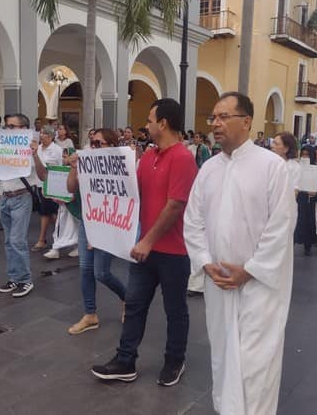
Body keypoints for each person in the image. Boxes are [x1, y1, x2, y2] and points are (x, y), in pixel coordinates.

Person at [183, 92, 296, 415]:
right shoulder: (208, 169)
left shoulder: (272, 167)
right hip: (219, 282)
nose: (215, 124)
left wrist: (251, 269)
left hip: (259, 285)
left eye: (223, 117)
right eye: (213, 118)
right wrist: (206, 263)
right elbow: (193, 221)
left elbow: (282, 225)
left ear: (246, 121)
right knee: (223, 354)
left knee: (256, 362)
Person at [91, 98, 198, 386]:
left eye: (150, 120)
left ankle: (175, 360)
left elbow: (175, 205)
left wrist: (147, 241)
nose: (147, 125)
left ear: (163, 123)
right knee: (135, 305)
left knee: (175, 310)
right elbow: (129, 194)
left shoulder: (183, 158)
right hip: (144, 249)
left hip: (173, 252)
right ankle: (125, 361)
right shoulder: (149, 156)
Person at [66, 128, 127, 334]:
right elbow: (71, 188)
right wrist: (75, 167)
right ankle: (90, 314)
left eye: (99, 144)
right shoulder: (87, 164)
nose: (94, 147)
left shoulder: (119, 168)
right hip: (88, 222)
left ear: (111, 146)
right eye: (92, 143)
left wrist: (102, 233)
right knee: (85, 270)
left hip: (107, 224)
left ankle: (127, 297)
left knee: (101, 272)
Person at [0, 114, 36, 298]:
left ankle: (26, 280)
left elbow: (42, 176)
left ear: (24, 129)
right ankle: (14, 277)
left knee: (17, 240)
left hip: (21, 197)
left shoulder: (30, 148)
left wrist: (35, 154)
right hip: (5, 197)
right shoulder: (3, 148)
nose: (7, 130)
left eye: (12, 126)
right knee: (8, 241)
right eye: (6, 126)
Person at [30, 125, 63, 251]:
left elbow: (54, 167)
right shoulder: (38, 148)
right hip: (38, 184)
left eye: (45, 134)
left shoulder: (56, 150)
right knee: (47, 212)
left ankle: (43, 239)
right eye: (41, 133)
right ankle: (61, 236)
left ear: (51, 137)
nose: (42, 136)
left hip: (52, 185)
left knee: (47, 212)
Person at [294, 146, 317, 256]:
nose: (305, 157)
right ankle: (291, 244)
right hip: (297, 199)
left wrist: (316, 194)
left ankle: (308, 246)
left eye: (307, 155)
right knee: (295, 223)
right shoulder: (296, 167)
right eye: (303, 154)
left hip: (309, 202)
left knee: (308, 224)